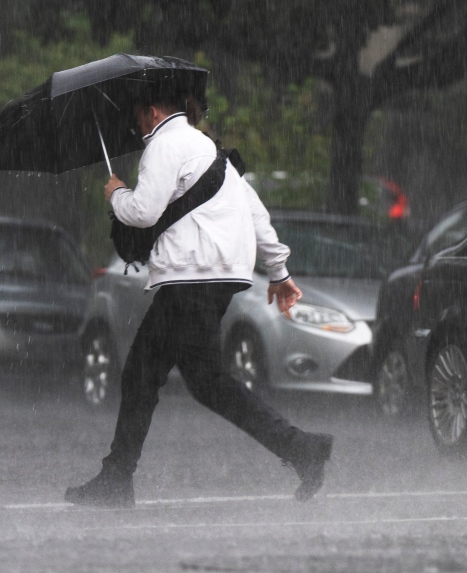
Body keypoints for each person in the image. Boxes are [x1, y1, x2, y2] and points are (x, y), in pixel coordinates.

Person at [64, 88, 333, 509]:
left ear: (152, 112)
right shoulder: (208, 149)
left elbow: (144, 211)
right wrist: (278, 271)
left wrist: (116, 192)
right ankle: (301, 449)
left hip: (191, 278)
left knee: (143, 375)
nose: (137, 128)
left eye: (138, 118)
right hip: (219, 277)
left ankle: (117, 479)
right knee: (204, 382)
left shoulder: (164, 144)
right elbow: (255, 211)